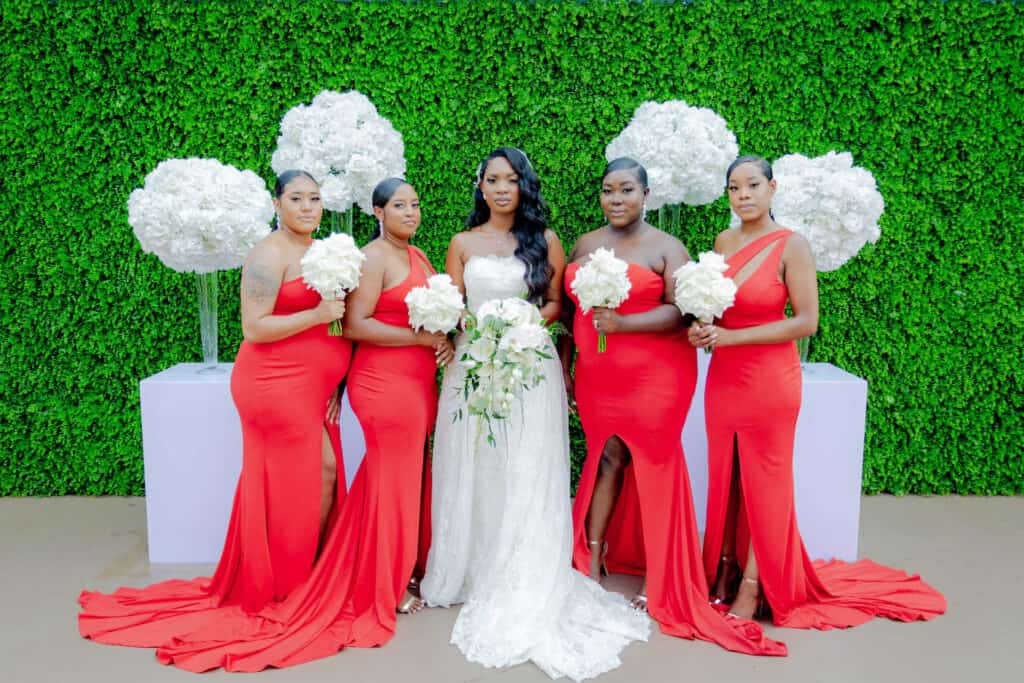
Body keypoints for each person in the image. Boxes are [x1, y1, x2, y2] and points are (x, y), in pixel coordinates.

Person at [79, 170, 352, 645]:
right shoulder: (268, 254)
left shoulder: (321, 252)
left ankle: (304, 571)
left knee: (317, 474)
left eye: (314, 198)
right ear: (277, 203)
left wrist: (335, 377)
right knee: (304, 477)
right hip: (272, 383)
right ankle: (288, 582)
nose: (308, 207)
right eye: (296, 198)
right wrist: (318, 314)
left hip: (310, 387)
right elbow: (255, 327)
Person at [421, 148, 650, 682]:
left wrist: (519, 324)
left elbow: (555, 304)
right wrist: (467, 329)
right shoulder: (461, 243)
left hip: (529, 361)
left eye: (511, 179)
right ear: (480, 186)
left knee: (524, 462)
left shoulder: (544, 240)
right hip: (475, 363)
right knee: (474, 460)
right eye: (492, 179)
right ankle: (471, 566)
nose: (502, 188)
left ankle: (521, 565)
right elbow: (453, 306)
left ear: (524, 185)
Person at [692, 155, 946, 628]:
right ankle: (724, 569)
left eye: (752, 185)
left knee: (766, 482)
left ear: (772, 188)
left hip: (770, 379)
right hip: (724, 377)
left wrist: (731, 338)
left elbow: (806, 321)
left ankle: (754, 585)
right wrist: (704, 327)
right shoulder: (723, 242)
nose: (743, 195)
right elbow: (718, 307)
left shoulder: (793, 245)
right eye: (734, 188)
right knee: (727, 474)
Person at [563, 157, 784, 657]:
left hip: (656, 376)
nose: (616, 199)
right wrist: (568, 364)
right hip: (598, 376)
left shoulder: (668, 247)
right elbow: (570, 310)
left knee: (653, 464)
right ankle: (591, 560)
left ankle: (660, 573)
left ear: (646, 195)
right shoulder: (584, 244)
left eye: (626, 190)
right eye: (608, 190)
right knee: (606, 458)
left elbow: (682, 312)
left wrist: (624, 324)